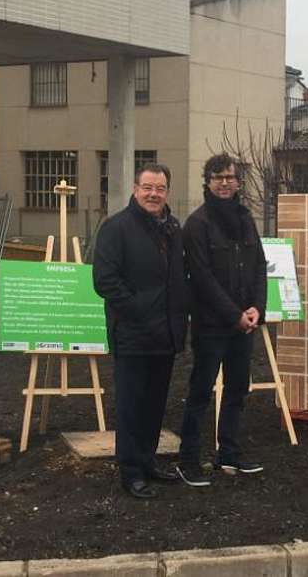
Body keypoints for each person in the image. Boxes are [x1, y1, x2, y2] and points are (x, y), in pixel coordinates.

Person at [92, 163, 187, 499]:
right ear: (135, 189)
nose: (153, 194)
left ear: (167, 192)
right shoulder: (116, 228)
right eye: (147, 187)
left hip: (165, 336)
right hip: (132, 335)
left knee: (155, 405)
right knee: (132, 406)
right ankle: (130, 472)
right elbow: (105, 281)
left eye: (160, 188)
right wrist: (138, 311)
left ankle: (148, 462)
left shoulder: (173, 228)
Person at [176, 153, 267, 487]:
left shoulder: (246, 219)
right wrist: (234, 316)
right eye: (218, 177)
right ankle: (188, 459)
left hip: (245, 324)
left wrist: (257, 307)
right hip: (213, 326)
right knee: (200, 391)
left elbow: (259, 266)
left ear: (237, 181)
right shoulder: (197, 224)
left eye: (230, 177)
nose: (225, 183)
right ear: (208, 182)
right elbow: (202, 278)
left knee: (237, 390)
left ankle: (228, 454)